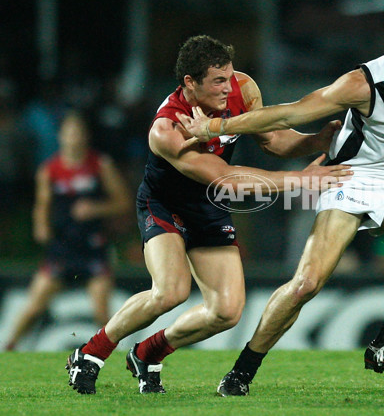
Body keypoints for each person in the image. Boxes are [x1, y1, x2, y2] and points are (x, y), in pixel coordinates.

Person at [177, 4, 384, 396]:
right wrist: (215, 126)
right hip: (349, 178)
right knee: (306, 283)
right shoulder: (365, 82)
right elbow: (289, 113)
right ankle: (242, 371)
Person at [65, 35, 351, 394]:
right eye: (217, 80)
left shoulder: (243, 88)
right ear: (190, 82)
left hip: (207, 206)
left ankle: (148, 352)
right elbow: (224, 177)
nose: (227, 85)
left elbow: (272, 140)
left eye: (228, 76)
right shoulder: (166, 129)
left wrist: (315, 141)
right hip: (164, 204)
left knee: (227, 311)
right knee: (170, 291)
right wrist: (299, 181)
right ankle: (90, 354)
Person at [5, 111, 130, 351]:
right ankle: (9, 349)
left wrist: (97, 208)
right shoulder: (49, 170)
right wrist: (40, 226)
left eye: (79, 132)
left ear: (86, 136)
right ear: (61, 136)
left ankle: (110, 357)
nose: (75, 137)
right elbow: (42, 205)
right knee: (33, 307)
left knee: (102, 312)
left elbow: (123, 201)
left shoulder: (100, 165)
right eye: (70, 132)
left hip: (93, 246)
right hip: (62, 248)